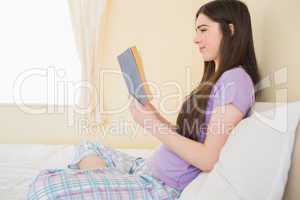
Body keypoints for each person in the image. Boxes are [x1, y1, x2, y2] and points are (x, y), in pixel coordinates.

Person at [27, 0, 260, 199]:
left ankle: (109, 184)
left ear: (230, 30)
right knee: (88, 146)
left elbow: (209, 158)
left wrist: (151, 124)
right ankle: (109, 183)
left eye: (203, 30)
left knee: (44, 188)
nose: (196, 39)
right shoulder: (217, 79)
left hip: (158, 187)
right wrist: (151, 113)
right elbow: (187, 135)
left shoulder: (236, 80)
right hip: (145, 169)